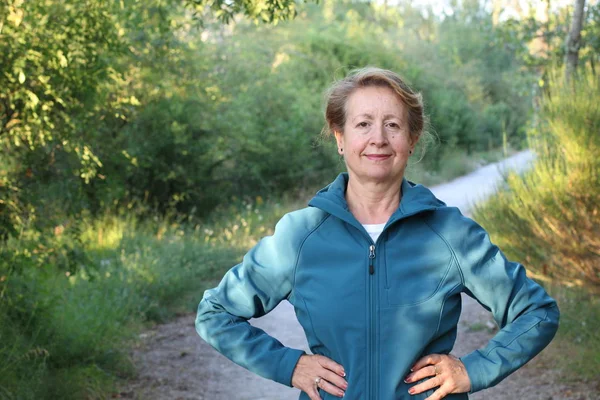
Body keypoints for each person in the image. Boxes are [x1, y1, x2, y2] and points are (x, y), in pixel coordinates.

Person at [195, 67, 560, 400]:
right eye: (363, 124)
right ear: (340, 138)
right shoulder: (300, 236)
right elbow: (215, 313)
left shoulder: (450, 234)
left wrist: (473, 370)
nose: (379, 139)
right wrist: (289, 365)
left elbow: (538, 312)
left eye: (393, 125)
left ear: (412, 140)